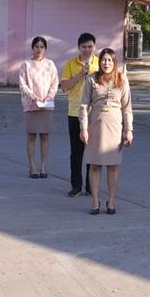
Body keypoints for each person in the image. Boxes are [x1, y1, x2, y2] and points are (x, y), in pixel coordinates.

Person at [81, 48, 133, 214]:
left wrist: (128, 130)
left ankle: (111, 201)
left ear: (114, 62)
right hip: (95, 125)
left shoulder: (122, 79)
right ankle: (95, 201)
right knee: (94, 165)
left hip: (115, 126)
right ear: (99, 61)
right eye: (104, 60)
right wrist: (83, 128)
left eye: (110, 60)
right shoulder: (91, 79)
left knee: (113, 166)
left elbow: (127, 108)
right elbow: (83, 106)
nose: (106, 63)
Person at [60, 32, 99, 196]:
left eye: (90, 46)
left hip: (93, 113)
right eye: (84, 47)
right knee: (76, 151)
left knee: (92, 151)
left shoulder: (100, 62)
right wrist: (81, 73)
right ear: (78, 47)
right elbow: (65, 86)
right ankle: (76, 185)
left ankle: (91, 187)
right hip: (75, 112)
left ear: (94, 47)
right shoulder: (70, 64)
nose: (87, 50)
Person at [18, 35, 60, 179]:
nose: (39, 49)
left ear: (45, 49)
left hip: (47, 105)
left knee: (45, 136)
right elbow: (22, 84)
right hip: (31, 105)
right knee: (31, 136)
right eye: (36, 46)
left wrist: (49, 97)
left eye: (42, 47)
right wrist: (33, 96)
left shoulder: (50, 64)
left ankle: (43, 166)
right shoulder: (26, 65)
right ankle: (32, 167)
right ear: (32, 48)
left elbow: (55, 83)